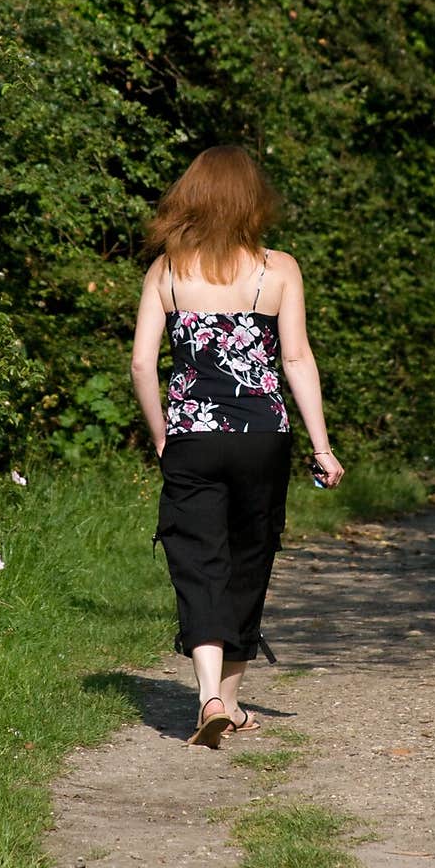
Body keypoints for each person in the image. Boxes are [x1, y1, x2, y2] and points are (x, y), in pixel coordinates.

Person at [130, 144, 344, 748]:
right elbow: (297, 358)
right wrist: (322, 448)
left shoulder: (167, 270)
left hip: (192, 438)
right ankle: (235, 697)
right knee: (251, 556)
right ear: (253, 200)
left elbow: (144, 364)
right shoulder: (278, 270)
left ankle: (209, 698)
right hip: (262, 438)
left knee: (197, 559)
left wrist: (161, 435)